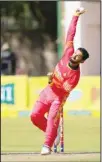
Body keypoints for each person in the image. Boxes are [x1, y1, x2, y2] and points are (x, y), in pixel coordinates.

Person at [30, 7, 89, 155]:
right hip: (48, 90)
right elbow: (70, 34)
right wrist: (75, 16)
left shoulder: (75, 77)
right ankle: (54, 133)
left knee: (51, 118)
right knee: (34, 116)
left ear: (81, 61)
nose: (74, 56)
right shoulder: (68, 51)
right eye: (76, 53)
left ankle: (47, 145)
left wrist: (52, 78)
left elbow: (62, 88)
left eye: (78, 56)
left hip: (58, 96)